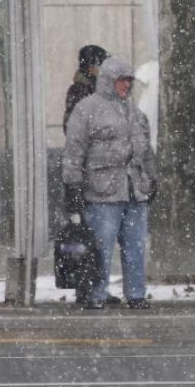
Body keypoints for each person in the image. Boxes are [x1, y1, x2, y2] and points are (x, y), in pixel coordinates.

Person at [63, 56, 157, 310]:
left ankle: (136, 293)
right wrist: (72, 186)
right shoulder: (86, 109)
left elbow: (145, 150)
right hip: (102, 192)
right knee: (101, 248)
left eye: (129, 80)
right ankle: (96, 293)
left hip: (134, 190)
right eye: (121, 80)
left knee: (135, 246)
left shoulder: (135, 112)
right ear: (108, 81)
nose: (126, 85)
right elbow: (74, 151)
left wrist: (151, 178)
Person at [61, 44, 121, 306]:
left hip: (93, 172)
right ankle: (87, 287)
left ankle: (93, 286)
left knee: (94, 236)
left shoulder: (93, 92)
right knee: (88, 234)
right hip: (87, 173)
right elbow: (76, 133)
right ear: (92, 66)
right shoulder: (82, 93)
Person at [63, 44, 109, 133]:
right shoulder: (79, 90)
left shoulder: (99, 87)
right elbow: (73, 126)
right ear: (90, 67)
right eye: (102, 65)